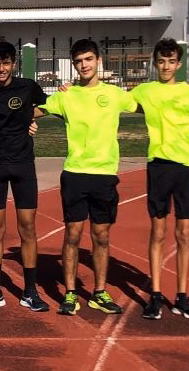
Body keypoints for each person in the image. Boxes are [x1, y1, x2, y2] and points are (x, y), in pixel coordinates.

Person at [40, 38, 138, 315]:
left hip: (105, 174)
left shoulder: (116, 94)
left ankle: (99, 292)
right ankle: (70, 294)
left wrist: (183, 90)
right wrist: (27, 122)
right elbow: (33, 111)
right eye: (78, 61)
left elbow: (149, 105)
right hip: (75, 173)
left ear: (98, 61)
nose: (84, 65)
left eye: (88, 60)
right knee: (73, 233)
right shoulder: (65, 95)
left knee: (101, 235)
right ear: (74, 66)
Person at [131, 39, 189, 320]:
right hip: (158, 168)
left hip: (187, 169)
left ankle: (182, 297)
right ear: (155, 63)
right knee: (158, 233)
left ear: (179, 63)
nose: (166, 66)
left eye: (171, 61)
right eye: (161, 61)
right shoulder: (145, 90)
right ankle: (155, 295)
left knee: (184, 235)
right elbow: (120, 101)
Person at [0, 42, 50, 312]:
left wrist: (29, 115)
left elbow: (49, 106)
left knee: (27, 227)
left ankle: (30, 291)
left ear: (13, 63)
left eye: (5, 63)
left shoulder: (28, 87)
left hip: (23, 165)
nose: (1, 69)